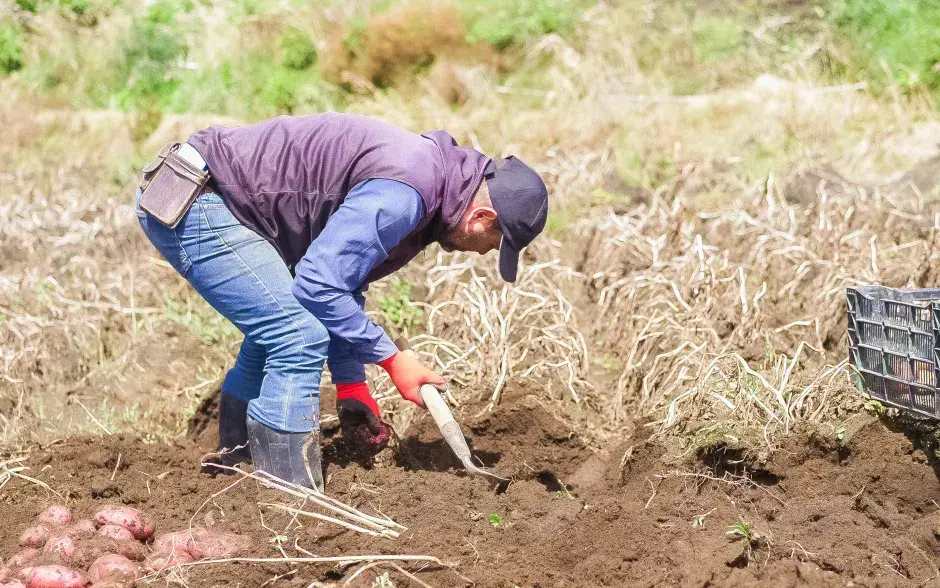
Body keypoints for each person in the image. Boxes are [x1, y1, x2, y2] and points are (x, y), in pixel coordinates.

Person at [135, 113, 548, 491]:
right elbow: (317, 284)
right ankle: (288, 494)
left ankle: (236, 458)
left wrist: (351, 384)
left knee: (276, 331)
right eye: (495, 244)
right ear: (482, 217)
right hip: (197, 199)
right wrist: (391, 359)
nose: (484, 253)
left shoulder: (432, 189)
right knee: (295, 336)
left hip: (216, 196)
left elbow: (340, 286)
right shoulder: (406, 192)